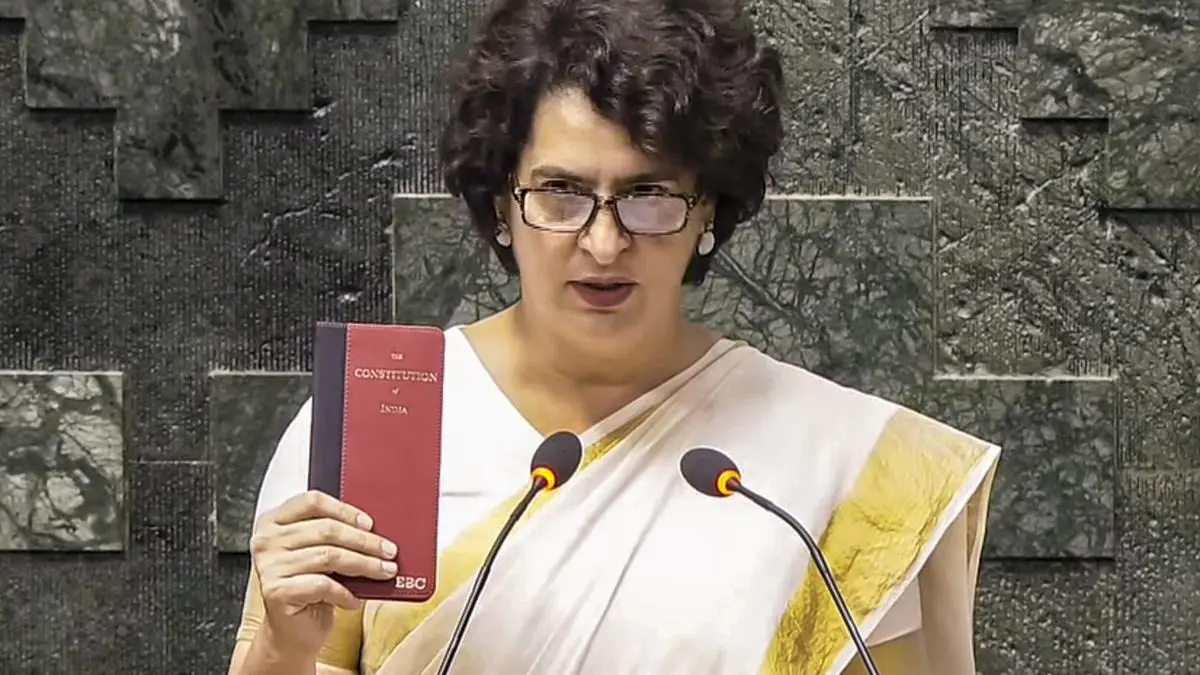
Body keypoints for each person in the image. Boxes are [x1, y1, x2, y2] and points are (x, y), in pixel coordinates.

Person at [227, 0, 1001, 673]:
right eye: (562, 193)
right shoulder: (378, 423)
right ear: (501, 202)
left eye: (649, 195)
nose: (603, 243)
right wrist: (283, 649)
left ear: (707, 212)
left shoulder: (843, 468)